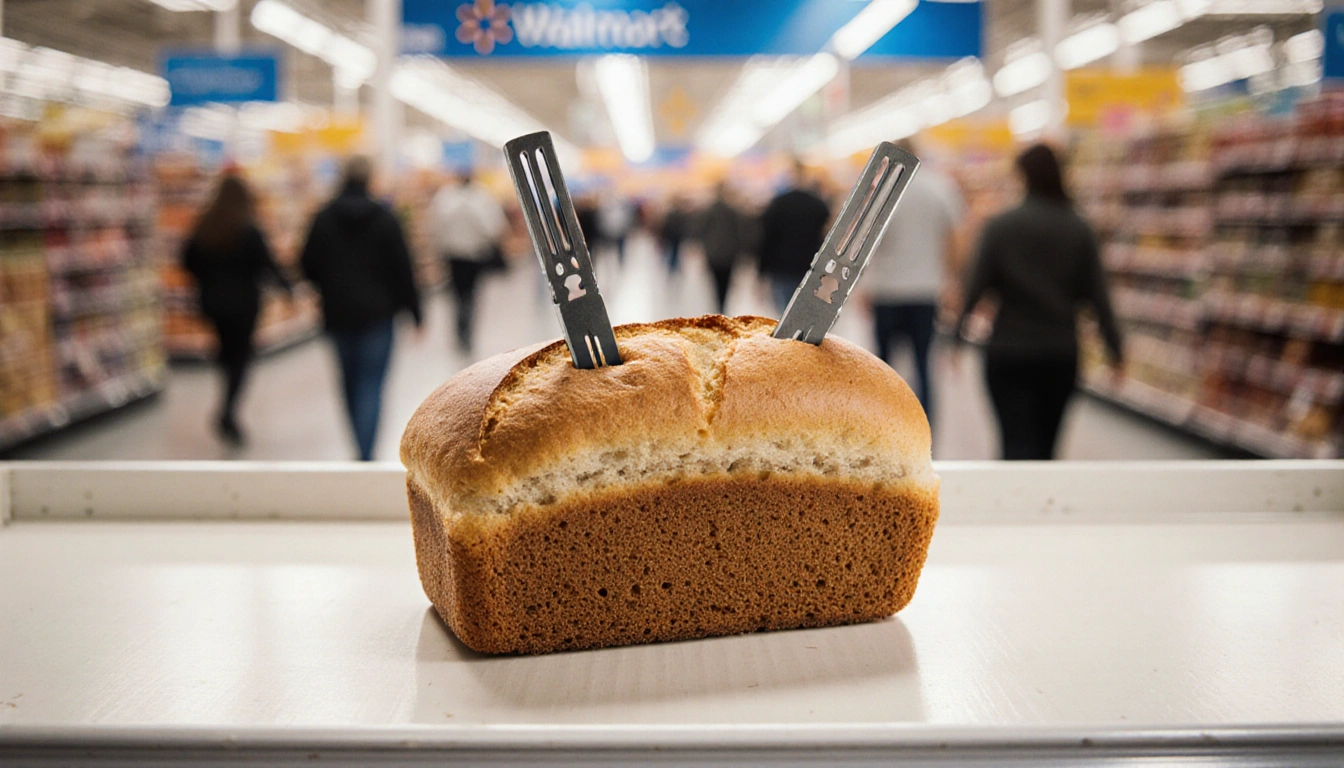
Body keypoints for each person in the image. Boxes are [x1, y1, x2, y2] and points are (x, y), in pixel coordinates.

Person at [954, 144, 1124, 461]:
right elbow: (1098, 295)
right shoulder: (1079, 228)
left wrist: (956, 337)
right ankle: (1041, 504)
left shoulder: (1000, 227)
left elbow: (976, 286)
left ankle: (1013, 505)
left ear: (1024, 176)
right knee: (1047, 448)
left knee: (1013, 442)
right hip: (1059, 352)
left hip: (1008, 351)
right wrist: (1115, 349)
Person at [300, 156, 422, 462]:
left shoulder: (323, 217)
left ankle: (359, 445)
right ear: (370, 179)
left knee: (348, 383)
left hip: (337, 314)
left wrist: (327, 283)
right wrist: (415, 312)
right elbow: (402, 268)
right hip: (378, 316)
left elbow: (306, 264)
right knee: (371, 384)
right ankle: (365, 453)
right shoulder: (385, 217)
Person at [181, 174, 291, 447]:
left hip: (212, 303)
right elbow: (266, 265)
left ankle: (226, 401)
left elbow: (187, 261)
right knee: (241, 357)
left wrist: (207, 279)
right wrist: (287, 287)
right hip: (244, 304)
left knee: (227, 352)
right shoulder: (248, 228)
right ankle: (228, 410)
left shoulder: (205, 225)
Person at [864, 140, 965, 423]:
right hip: (926, 290)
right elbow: (956, 239)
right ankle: (925, 428)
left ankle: (883, 425)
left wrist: (865, 287)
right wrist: (952, 280)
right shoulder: (941, 187)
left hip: (886, 290)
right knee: (923, 364)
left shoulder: (883, 190)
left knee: (883, 365)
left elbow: (868, 243)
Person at [430, 170, 506, 353]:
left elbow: (435, 226)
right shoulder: (482, 197)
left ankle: (460, 331)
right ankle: (466, 332)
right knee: (471, 295)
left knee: (458, 295)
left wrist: (440, 247)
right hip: (474, 254)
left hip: (454, 255)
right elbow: (493, 226)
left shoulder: (444, 197)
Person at [758, 160, 830, 315]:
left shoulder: (777, 204)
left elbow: (767, 240)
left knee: (785, 312)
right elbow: (825, 237)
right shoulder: (817, 205)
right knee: (804, 310)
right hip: (810, 264)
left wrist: (761, 272)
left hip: (781, 266)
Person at [698, 181, 745, 314]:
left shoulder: (708, 211)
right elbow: (739, 233)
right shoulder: (733, 211)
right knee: (726, 283)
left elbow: (702, 231)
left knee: (715, 283)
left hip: (713, 254)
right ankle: (722, 307)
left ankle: (718, 307)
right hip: (729, 254)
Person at [659, 195, 691, 275]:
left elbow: (667, 226)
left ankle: (674, 268)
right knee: (675, 252)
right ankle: (675, 267)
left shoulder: (672, 214)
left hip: (672, 236)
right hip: (677, 236)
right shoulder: (680, 214)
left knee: (674, 252)